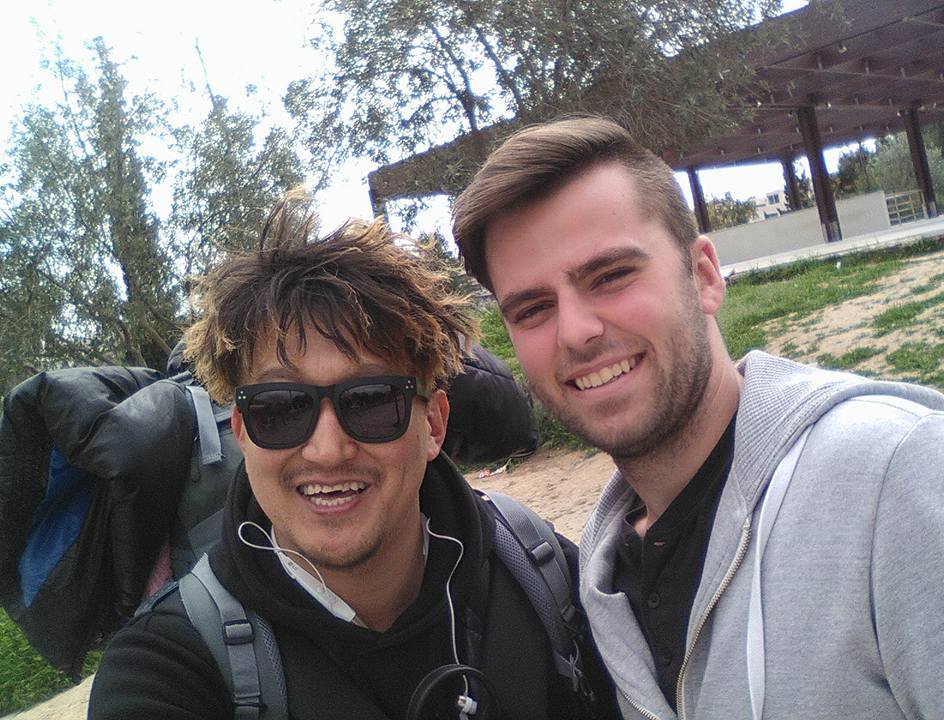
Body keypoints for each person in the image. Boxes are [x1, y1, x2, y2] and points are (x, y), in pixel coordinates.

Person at [451, 116, 944, 719]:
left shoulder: (896, 478)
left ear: (704, 276)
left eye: (610, 276)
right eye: (533, 309)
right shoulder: (598, 576)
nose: (576, 332)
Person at [88, 192, 616, 720]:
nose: (327, 449)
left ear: (433, 424)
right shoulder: (168, 668)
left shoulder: (539, 570)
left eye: (370, 400)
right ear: (244, 432)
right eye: (281, 408)